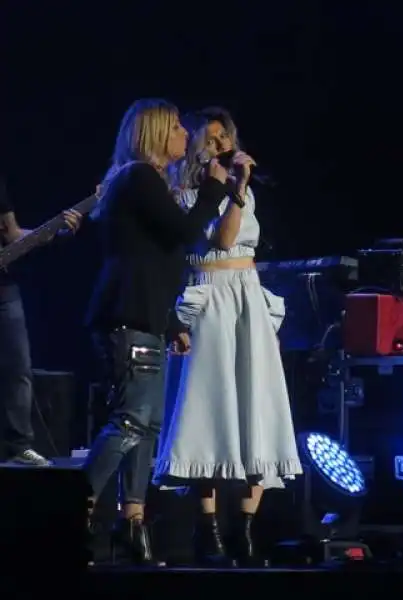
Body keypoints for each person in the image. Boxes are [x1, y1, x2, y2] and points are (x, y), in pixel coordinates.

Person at [153, 107, 302, 567]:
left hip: (247, 296)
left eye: (225, 137)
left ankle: (247, 529)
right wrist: (235, 188)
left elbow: (245, 243)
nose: (219, 145)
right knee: (209, 405)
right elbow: (221, 240)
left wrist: (242, 188)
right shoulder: (183, 190)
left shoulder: (245, 190)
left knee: (257, 404)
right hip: (210, 294)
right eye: (210, 137)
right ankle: (208, 529)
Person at [83, 98, 229, 565]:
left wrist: (168, 323)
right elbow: (185, 234)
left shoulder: (142, 183)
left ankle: (133, 523)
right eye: (177, 130)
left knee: (147, 426)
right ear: (155, 133)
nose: (186, 136)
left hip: (145, 316)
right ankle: (77, 503)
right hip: (127, 316)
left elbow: (153, 256)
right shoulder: (138, 178)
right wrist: (213, 190)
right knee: (130, 420)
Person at [0, 176, 81, 466]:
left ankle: (17, 446)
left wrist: (53, 233)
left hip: (3, 289)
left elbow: (11, 235)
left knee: (18, 367)